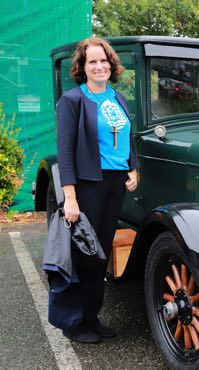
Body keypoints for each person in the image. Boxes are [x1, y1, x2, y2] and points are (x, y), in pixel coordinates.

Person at [54, 36, 139, 343]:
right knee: (83, 254)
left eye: (104, 60)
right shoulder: (73, 100)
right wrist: (70, 197)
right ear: (83, 67)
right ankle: (75, 323)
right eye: (92, 61)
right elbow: (64, 152)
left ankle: (93, 316)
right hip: (89, 184)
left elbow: (127, 136)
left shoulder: (119, 98)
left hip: (116, 184)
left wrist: (133, 167)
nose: (99, 65)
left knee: (100, 254)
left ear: (111, 64)